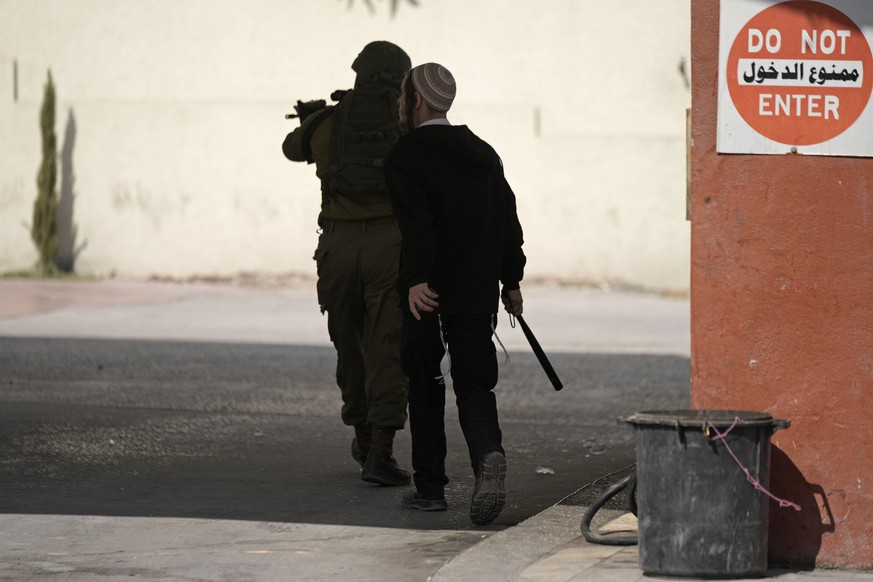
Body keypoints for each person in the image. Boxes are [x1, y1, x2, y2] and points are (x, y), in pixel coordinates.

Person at [384, 62, 526, 525]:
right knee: (474, 383)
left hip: (430, 293)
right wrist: (512, 281)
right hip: (478, 293)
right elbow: (508, 221)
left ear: (416, 101)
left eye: (404, 98)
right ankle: (488, 454)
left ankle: (429, 489)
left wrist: (417, 279)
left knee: (425, 383)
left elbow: (417, 223)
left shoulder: (408, 155)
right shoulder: (483, 153)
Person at [282, 41, 412, 487]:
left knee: (350, 345)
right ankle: (381, 453)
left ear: (358, 72)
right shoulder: (405, 125)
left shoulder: (327, 123)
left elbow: (291, 149)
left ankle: (362, 434)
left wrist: (312, 118)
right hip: (390, 248)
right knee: (387, 347)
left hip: (337, 250)